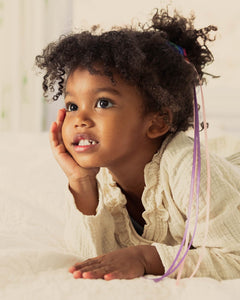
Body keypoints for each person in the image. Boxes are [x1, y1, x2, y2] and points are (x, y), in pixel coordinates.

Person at [35, 8, 240, 281]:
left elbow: (234, 258)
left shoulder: (188, 171)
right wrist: (81, 182)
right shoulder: (103, 172)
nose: (79, 119)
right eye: (72, 105)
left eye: (103, 103)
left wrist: (146, 257)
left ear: (156, 123)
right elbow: (91, 258)